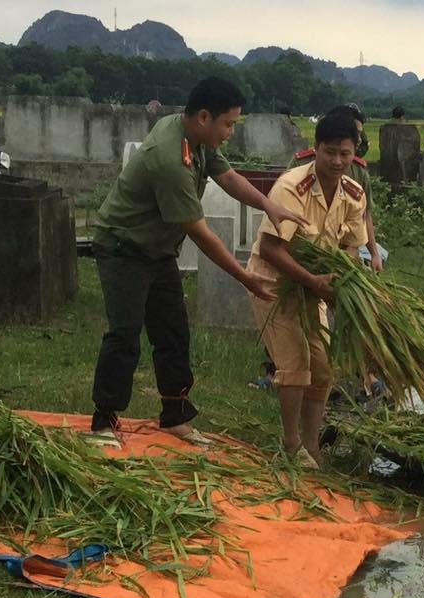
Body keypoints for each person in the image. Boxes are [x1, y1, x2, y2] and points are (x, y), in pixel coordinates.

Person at [89, 77, 307, 445]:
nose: (231, 132)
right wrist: (244, 276)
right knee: (125, 335)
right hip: (123, 247)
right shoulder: (169, 158)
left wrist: (269, 205)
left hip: (156, 250)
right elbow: (200, 233)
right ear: (204, 117)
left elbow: (229, 177)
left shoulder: (194, 136)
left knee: (173, 333)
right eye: (229, 124)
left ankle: (175, 416)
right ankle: (104, 421)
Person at [247, 112, 368, 467]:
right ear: (314, 149)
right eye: (329, 152)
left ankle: (311, 447)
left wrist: (348, 281)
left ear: (355, 152)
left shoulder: (353, 193)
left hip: (314, 289)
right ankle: (290, 446)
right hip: (274, 284)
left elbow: (350, 247)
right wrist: (314, 281)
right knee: (295, 365)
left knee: (324, 369)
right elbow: (270, 248)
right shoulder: (291, 186)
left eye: (345, 153)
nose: (337, 161)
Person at [291, 104, 382, 272]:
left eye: (360, 133)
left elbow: (365, 214)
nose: (359, 138)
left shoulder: (359, 171)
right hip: (303, 251)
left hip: (342, 252)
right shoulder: (300, 166)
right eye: (355, 131)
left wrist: (374, 253)